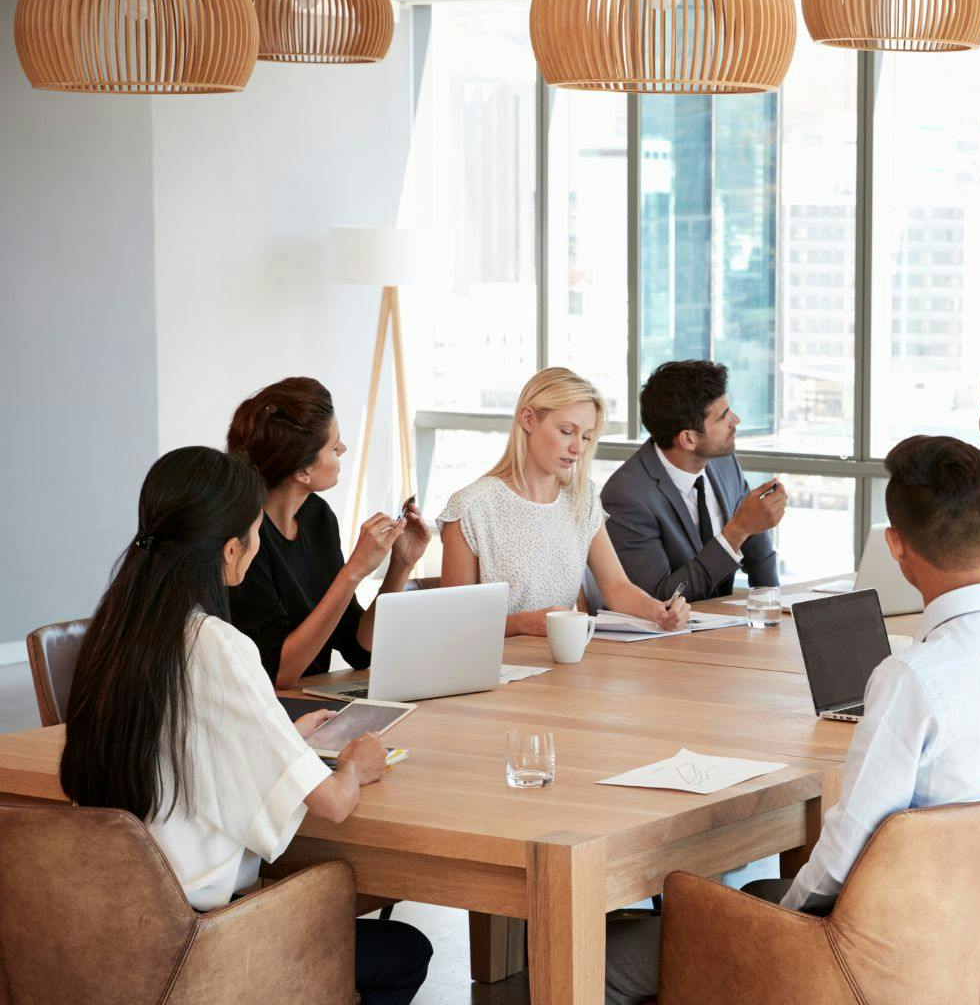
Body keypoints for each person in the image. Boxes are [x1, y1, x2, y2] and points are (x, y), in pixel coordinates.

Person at [604, 435, 980, 1003]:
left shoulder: (911, 680)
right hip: (971, 941)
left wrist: (785, 926)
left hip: (869, 958)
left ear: (895, 545)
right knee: (766, 890)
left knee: (602, 961)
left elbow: (849, 845)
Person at [58, 447, 431, 1004]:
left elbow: (186, 741)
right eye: (255, 536)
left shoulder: (116, 630)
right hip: (203, 937)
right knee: (406, 951)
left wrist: (286, 740)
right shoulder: (217, 643)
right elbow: (332, 802)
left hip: (111, 925)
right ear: (231, 549)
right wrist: (354, 767)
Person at [437, 367, 689, 637]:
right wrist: (523, 624)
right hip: (496, 669)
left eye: (586, 436)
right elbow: (454, 623)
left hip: (564, 663)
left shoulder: (582, 498)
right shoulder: (471, 508)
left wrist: (661, 611)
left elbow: (617, 587)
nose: (578, 448)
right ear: (528, 419)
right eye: (567, 431)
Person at [226, 377, 431, 689]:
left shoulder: (317, 516)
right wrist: (353, 572)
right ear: (301, 471)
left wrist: (400, 564)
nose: (343, 449)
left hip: (311, 704)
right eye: (334, 446)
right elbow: (279, 672)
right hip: (271, 711)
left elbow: (359, 648)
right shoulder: (245, 540)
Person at [601, 360, 784, 603]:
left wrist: (773, 606)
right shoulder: (626, 496)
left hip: (726, 630)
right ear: (688, 439)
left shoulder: (722, 462)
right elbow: (659, 598)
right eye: (723, 417)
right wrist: (736, 530)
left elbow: (756, 545)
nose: (736, 420)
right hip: (665, 637)